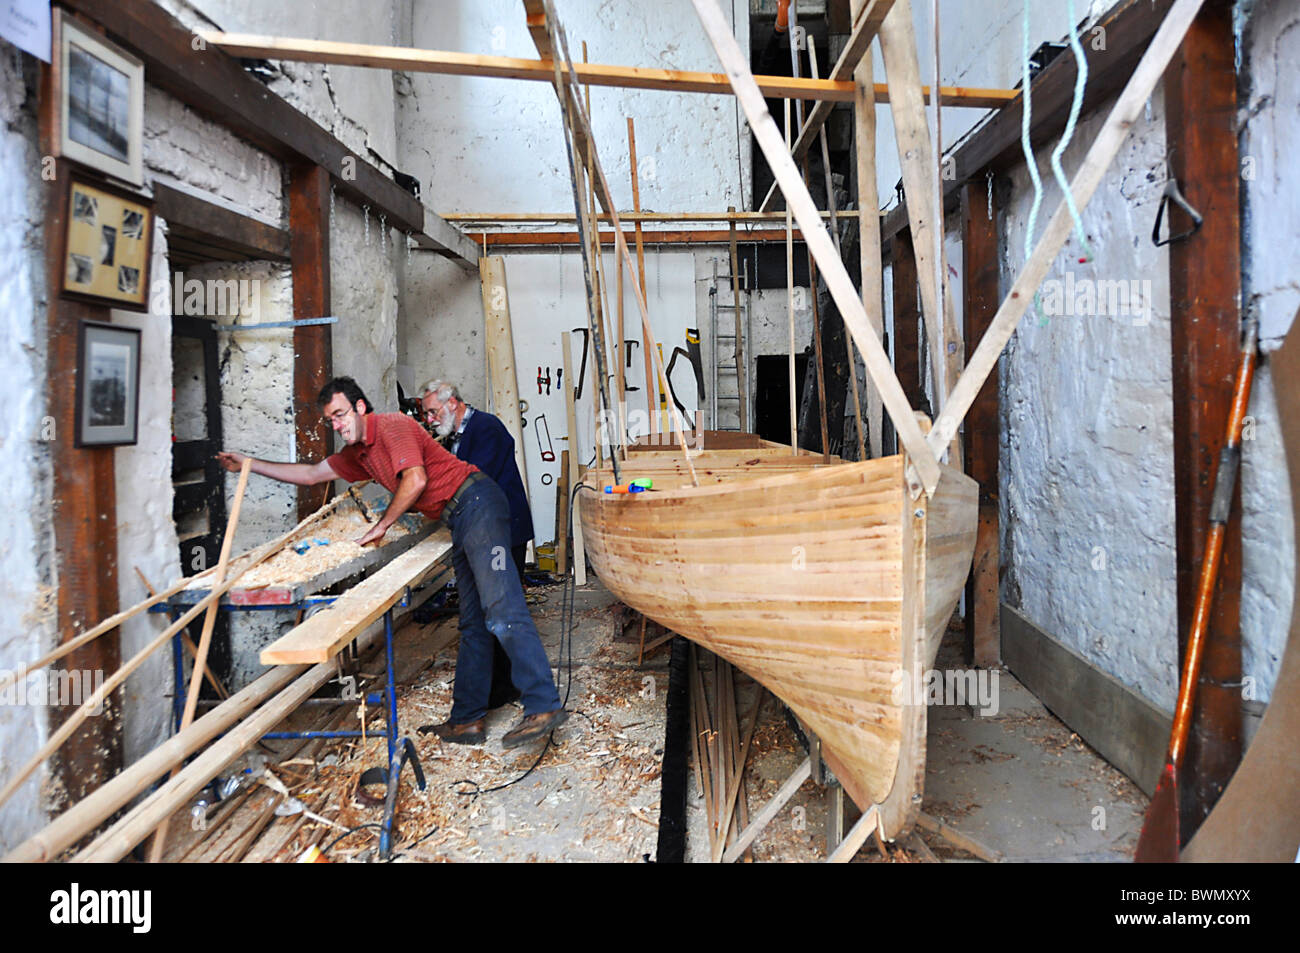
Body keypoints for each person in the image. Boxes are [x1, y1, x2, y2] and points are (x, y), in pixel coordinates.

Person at [215, 376, 566, 748]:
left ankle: (542, 704)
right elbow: (312, 474)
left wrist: (382, 525)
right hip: (460, 516)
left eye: (339, 415)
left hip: (480, 502)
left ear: (360, 407)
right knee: (474, 623)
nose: (337, 425)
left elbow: (414, 480)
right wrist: (249, 464)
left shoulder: (393, 426)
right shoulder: (358, 454)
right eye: (331, 420)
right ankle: (468, 720)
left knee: (501, 609)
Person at [420, 380, 533, 710]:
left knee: (499, 609)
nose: (429, 419)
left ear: (452, 403)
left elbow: (472, 480)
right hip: (489, 530)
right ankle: (497, 686)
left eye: (432, 411)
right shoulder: (457, 435)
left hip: (504, 530)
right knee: (490, 610)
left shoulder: (485, 428)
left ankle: (504, 688)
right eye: (426, 413)